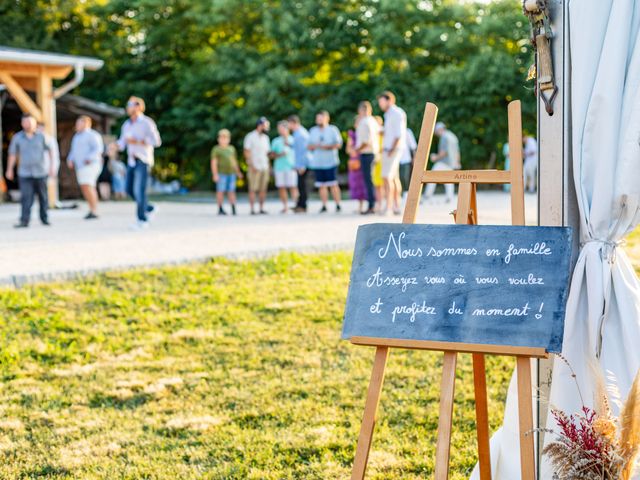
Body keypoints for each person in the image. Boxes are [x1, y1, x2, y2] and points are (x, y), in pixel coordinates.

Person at [117, 96, 162, 229]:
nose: (128, 107)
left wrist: (139, 141)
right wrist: (115, 146)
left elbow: (157, 141)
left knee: (140, 190)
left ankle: (142, 220)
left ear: (138, 106)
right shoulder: (126, 125)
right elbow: (122, 142)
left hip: (143, 159)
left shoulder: (147, 123)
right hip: (131, 160)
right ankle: (149, 207)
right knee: (129, 189)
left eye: (130, 105)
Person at [6, 114, 54, 228]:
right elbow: (12, 154)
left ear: (35, 123)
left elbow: (50, 151)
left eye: (30, 122)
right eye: (25, 122)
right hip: (24, 172)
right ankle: (24, 220)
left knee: (43, 196)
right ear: (22, 123)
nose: (28, 124)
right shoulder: (17, 137)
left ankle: (44, 218)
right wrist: (9, 169)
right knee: (26, 197)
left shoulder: (42, 136)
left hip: (41, 172)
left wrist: (52, 167)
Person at [67, 115, 104, 219]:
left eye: (79, 123)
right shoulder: (77, 136)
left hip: (90, 165)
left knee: (88, 185)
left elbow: (98, 149)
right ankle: (91, 208)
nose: (76, 125)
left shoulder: (93, 135)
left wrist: (89, 158)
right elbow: (73, 151)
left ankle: (94, 210)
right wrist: (70, 159)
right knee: (85, 187)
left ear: (86, 123)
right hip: (80, 166)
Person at [377, 91, 406, 215]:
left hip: (392, 149)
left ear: (389, 100)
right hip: (390, 149)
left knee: (386, 177)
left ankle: (389, 207)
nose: (380, 104)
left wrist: (391, 150)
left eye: (381, 101)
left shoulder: (396, 113)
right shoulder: (388, 114)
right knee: (394, 178)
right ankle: (396, 206)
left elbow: (398, 134)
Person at [308, 110, 343, 213]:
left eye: (321, 118)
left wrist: (326, 147)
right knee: (321, 185)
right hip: (318, 163)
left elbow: (338, 144)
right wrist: (317, 146)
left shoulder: (333, 129)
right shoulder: (313, 130)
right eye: (317, 119)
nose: (319, 120)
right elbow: (309, 146)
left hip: (331, 161)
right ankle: (324, 205)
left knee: (333, 184)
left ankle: (338, 204)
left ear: (327, 118)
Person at [423, 122, 459, 203]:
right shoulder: (453, 136)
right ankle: (449, 197)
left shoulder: (444, 137)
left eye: (436, 131)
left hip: (443, 162)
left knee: (431, 176)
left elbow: (444, 152)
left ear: (440, 129)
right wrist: (457, 162)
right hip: (452, 162)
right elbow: (457, 151)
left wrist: (435, 157)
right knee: (449, 180)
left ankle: (427, 195)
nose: (436, 133)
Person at [354, 101, 380, 215]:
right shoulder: (373, 121)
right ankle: (373, 204)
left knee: (368, 180)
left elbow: (366, 141)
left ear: (361, 110)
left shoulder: (364, 122)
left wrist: (357, 150)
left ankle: (371, 205)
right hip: (373, 152)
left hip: (367, 153)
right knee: (370, 179)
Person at [211, 129, 243, 216]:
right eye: (222, 137)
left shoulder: (231, 149)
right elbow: (214, 162)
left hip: (231, 173)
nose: (224, 139)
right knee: (220, 191)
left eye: (226, 138)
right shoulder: (216, 149)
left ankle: (233, 208)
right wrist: (215, 174)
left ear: (229, 139)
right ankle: (220, 208)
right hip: (221, 174)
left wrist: (238, 172)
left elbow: (234, 161)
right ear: (218, 139)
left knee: (231, 191)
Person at [243, 117, 271, 215]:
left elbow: (267, 153)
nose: (267, 128)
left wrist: (269, 166)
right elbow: (246, 151)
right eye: (265, 126)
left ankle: (261, 208)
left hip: (264, 166)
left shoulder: (266, 138)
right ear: (259, 125)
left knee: (263, 188)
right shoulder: (250, 136)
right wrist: (251, 165)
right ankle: (252, 209)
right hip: (254, 166)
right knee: (253, 188)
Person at [270, 121, 298, 214]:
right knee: (281, 188)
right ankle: (285, 207)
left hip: (292, 167)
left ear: (287, 129)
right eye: (279, 129)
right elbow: (271, 155)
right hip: (279, 168)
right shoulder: (276, 141)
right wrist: (279, 154)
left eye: (282, 128)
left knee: (293, 187)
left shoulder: (293, 139)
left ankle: (296, 205)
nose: (280, 131)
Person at [287, 115, 311, 213]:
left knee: (302, 185)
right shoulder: (297, 133)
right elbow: (297, 149)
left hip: (303, 164)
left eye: (289, 124)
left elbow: (304, 151)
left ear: (293, 123)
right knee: (300, 185)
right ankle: (299, 204)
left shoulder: (301, 134)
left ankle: (303, 206)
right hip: (300, 164)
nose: (288, 126)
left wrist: (302, 166)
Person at [346, 117, 367, 213]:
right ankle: (360, 205)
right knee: (356, 183)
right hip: (354, 161)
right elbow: (348, 149)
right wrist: (353, 151)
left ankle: (364, 205)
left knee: (363, 183)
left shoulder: (363, 135)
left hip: (362, 158)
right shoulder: (352, 135)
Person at [37, 122, 60, 208]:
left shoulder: (49, 139)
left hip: (46, 168)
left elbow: (54, 155)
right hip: (35, 169)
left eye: (40, 128)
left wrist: (53, 168)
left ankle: (47, 205)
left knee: (44, 189)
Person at [399, 128, 418, 197]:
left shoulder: (407, 131)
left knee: (404, 176)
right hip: (395, 158)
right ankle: (400, 193)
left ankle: (406, 191)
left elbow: (413, 146)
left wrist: (414, 158)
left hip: (405, 158)